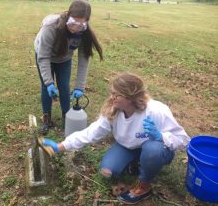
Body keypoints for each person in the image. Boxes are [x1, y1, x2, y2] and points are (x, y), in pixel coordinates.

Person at [42, 72, 190, 204]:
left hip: (155, 148)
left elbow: (183, 139)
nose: (112, 98)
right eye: (112, 93)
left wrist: (160, 136)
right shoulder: (114, 110)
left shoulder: (156, 111)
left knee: (152, 150)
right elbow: (92, 132)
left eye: (117, 95)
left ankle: (144, 186)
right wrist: (61, 146)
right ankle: (137, 162)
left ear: (131, 97)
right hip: (128, 147)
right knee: (108, 171)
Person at [34, 0, 103, 134]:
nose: (75, 28)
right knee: (46, 86)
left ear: (86, 22)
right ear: (68, 16)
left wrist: (79, 87)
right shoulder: (51, 27)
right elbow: (43, 57)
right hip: (44, 55)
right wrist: (49, 83)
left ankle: (67, 115)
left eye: (81, 24)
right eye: (72, 23)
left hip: (64, 58)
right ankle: (46, 117)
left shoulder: (84, 33)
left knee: (64, 86)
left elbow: (83, 59)